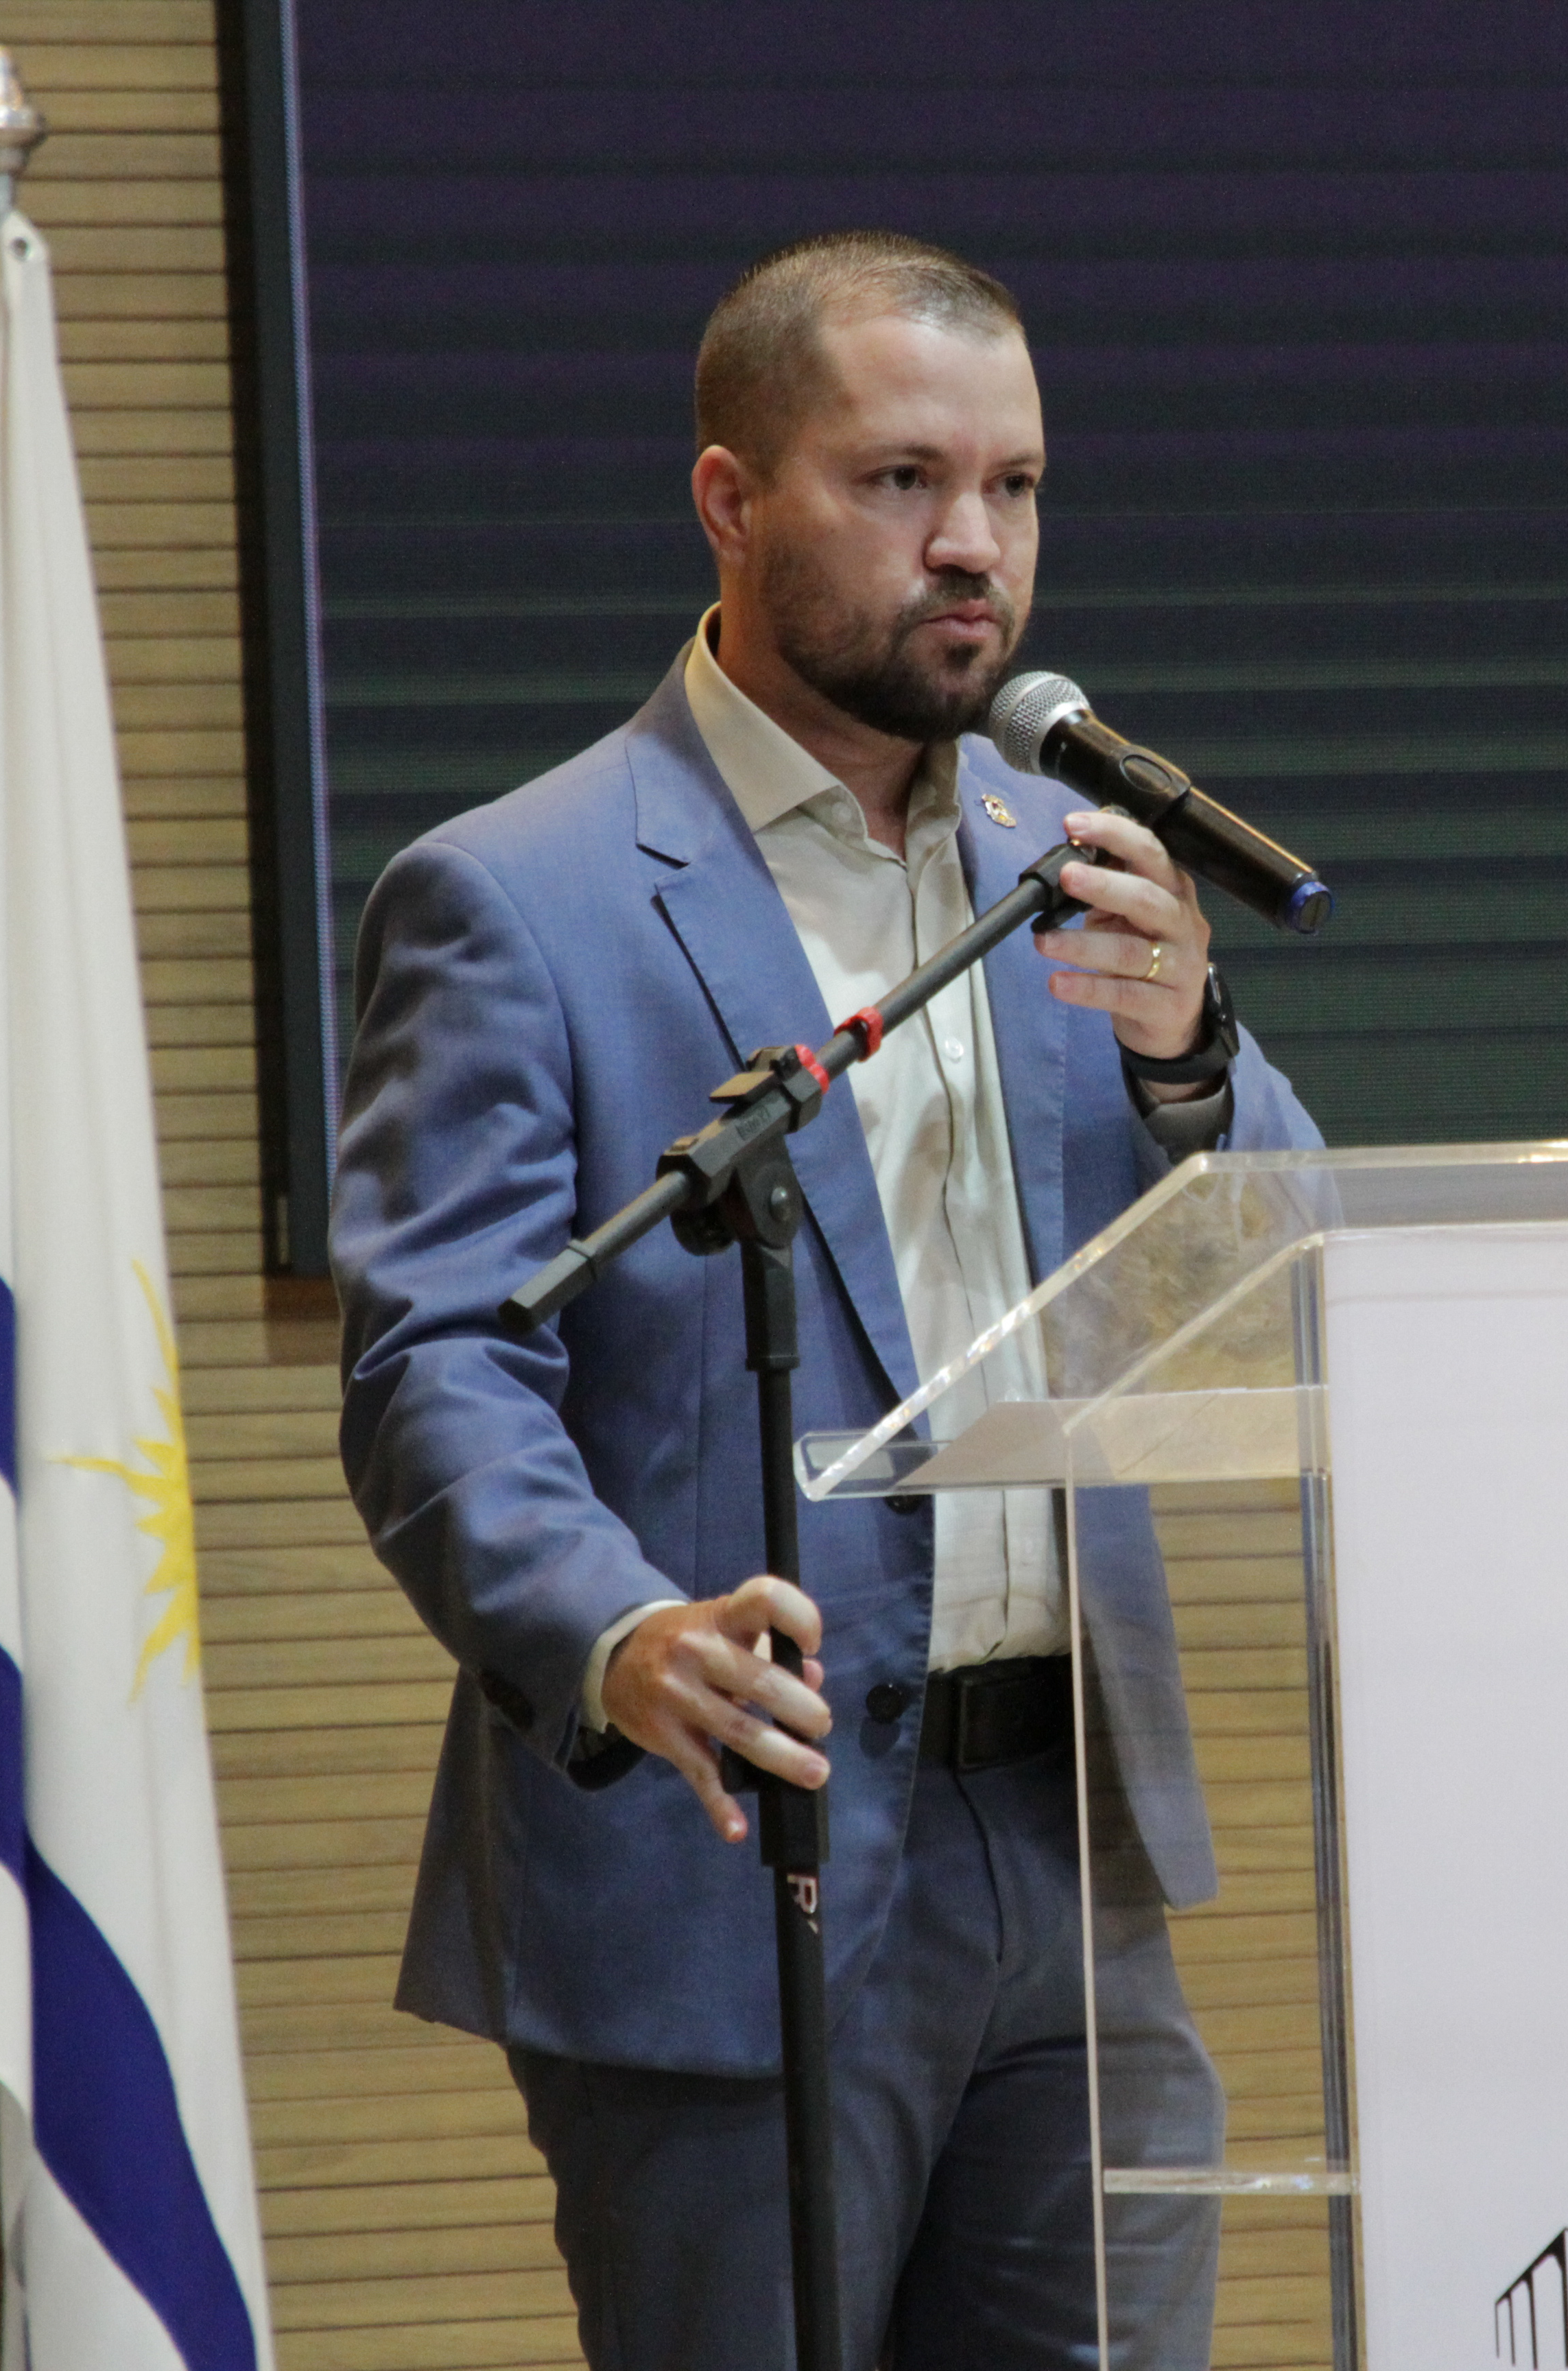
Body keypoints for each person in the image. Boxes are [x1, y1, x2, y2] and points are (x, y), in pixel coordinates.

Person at [333, 231, 1320, 2371]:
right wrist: (615, 1631)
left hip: (1068, 1844)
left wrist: (1193, 1063)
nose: (975, 545)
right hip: (730, 1849)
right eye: (900, 482)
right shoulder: (520, 896)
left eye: (1015, 487)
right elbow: (436, 1366)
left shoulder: (1079, 861)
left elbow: (1294, 1271)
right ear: (731, 500)